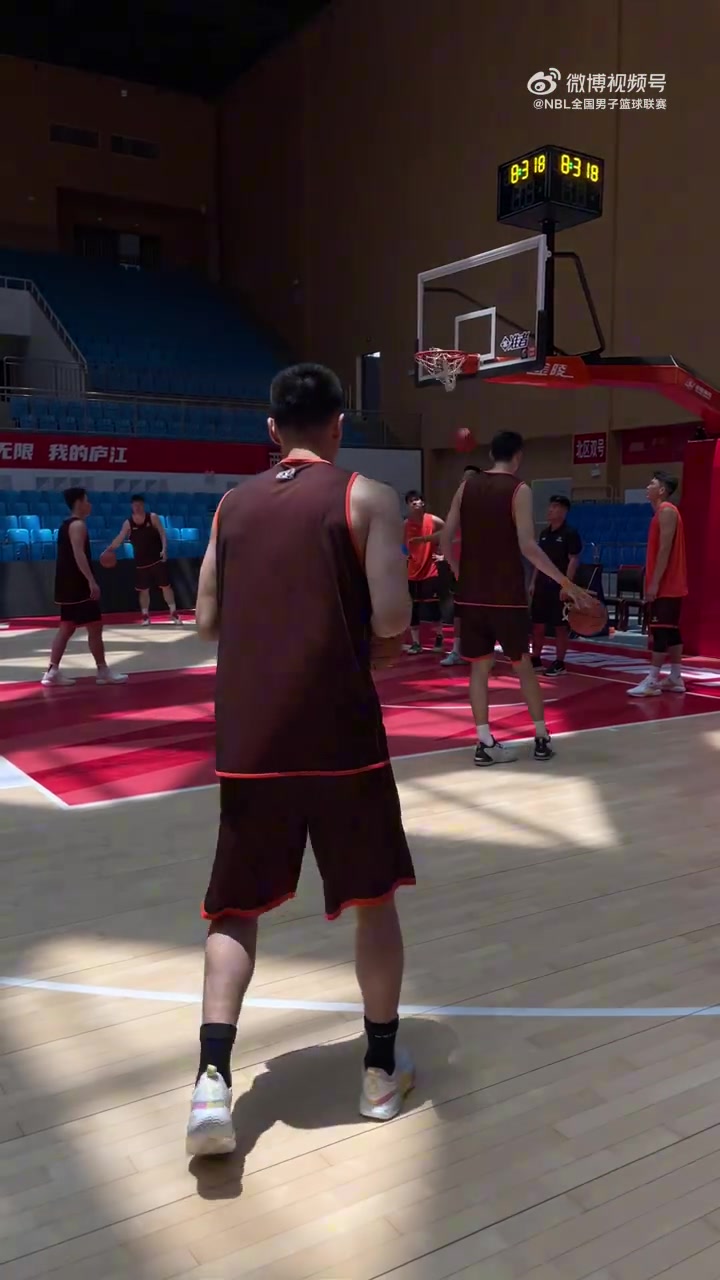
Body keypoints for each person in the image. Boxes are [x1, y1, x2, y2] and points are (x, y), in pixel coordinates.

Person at [186, 363, 416, 1157]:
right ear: (339, 425)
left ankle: (211, 1085)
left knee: (233, 911)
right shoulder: (367, 497)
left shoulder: (230, 505)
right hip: (342, 738)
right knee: (373, 899)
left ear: (271, 429)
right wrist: (373, 642)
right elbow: (393, 616)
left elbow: (206, 622)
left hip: (252, 741)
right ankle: (379, 1072)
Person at [440, 431, 592, 765]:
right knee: (523, 665)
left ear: (490, 454)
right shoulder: (519, 489)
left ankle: (484, 743)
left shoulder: (465, 487)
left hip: (472, 595)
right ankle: (541, 737)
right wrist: (565, 581)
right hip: (506, 595)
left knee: (479, 669)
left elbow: (446, 538)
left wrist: (459, 572)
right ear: (519, 456)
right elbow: (527, 546)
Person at [42, 487, 127, 687]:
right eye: (87, 500)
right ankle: (103, 670)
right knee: (95, 626)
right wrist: (91, 580)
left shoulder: (65, 525)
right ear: (79, 503)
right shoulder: (78, 525)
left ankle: (52, 671)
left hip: (65, 584)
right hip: (78, 584)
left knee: (66, 627)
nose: (90, 504)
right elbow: (78, 554)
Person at [628, 471, 687, 697]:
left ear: (662, 490)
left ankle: (652, 680)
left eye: (652, 483)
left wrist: (654, 583)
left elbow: (665, 550)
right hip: (668, 583)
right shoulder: (660, 513)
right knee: (671, 632)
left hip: (667, 584)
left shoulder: (667, 511)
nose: (647, 486)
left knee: (661, 631)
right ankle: (675, 677)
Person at [103, 495, 182, 625]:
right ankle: (145, 615)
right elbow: (120, 538)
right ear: (132, 506)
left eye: (139, 505)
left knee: (166, 586)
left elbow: (162, 533)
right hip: (141, 562)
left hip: (157, 559)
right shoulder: (128, 523)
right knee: (143, 590)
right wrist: (109, 549)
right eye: (135, 505)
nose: (137, 507)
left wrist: (164, 549)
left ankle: (173, 612)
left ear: (143, 505)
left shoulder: (152, 517)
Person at [530, 495, 582, 676]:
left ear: (564, 511)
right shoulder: (544, 534)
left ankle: (560, 663)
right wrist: (533, 582)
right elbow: (538, 560)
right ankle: (535, 658)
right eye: (550, 506)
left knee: (560, 626)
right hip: (541, 585)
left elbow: (573, 560)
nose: (550, 510)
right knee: (537, 624)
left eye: (555, 506)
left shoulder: (570, 533)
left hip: (559, 587)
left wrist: (567, 586)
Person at [440, 464, 479, 667]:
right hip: (459, 569)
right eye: (464, 478)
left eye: (470, 478)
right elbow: (447, 536)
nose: (465, 481)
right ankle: (456, 651)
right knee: (459, 612)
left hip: (480, 569)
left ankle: (482, 652)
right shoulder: (457, 508)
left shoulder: (486, 508)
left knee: (481, 612)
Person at [404, 490, 445, 654]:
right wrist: (404, 554)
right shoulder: (405, 525)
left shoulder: (433, 520)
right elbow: (401, 545)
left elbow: (450, 533)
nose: (415, 503)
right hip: (412, 572)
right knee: (413, 609)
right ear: (408, 505)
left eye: (418, 500)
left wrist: (443, 554)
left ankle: (439, 637)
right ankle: (416, 643)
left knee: (433, 607)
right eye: (411, 501)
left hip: (430, 571)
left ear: (423, 503)